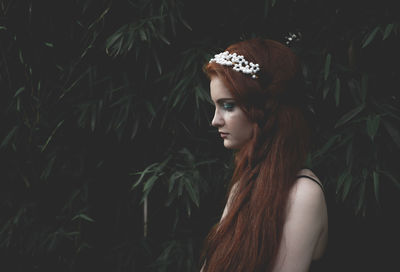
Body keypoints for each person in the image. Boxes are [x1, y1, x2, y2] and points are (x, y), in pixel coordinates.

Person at [200, 38, 328, 272]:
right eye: (215, 107)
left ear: (264, 108)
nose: (215, 120)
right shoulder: (244, 186)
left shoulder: (302, 195)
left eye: (227, 106)